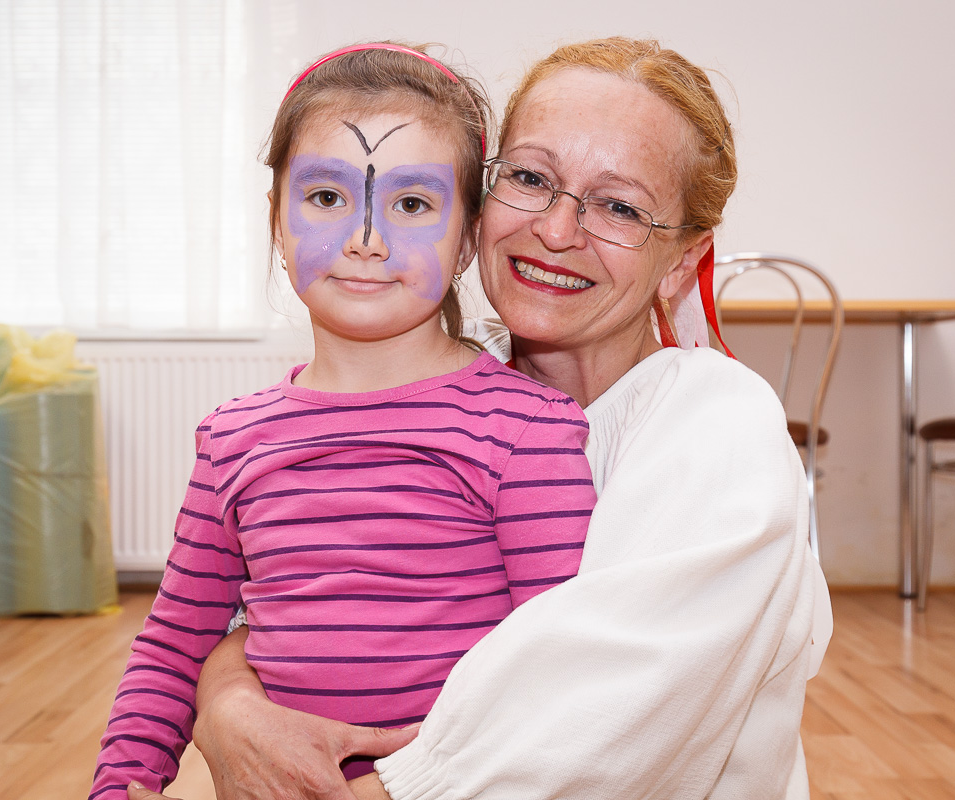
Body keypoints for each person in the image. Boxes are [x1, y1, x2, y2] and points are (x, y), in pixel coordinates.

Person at [131, 35, 832, 800]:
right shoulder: (445, 397)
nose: (557, 231)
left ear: (682, 262)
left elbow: (577, 711)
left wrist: (234, 709)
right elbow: (289, 604)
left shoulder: (718, 427)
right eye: (530, 177)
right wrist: (225, 698)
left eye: (620, 206)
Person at [90, 42, 599, 799]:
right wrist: (121, 781)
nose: (366, 239)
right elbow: (174, 642)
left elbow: (561, 665)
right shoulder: (231, 438)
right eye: (327, 197)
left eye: (412, 204)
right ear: (276, 221)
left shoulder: (527, 430)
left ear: (467, 238)